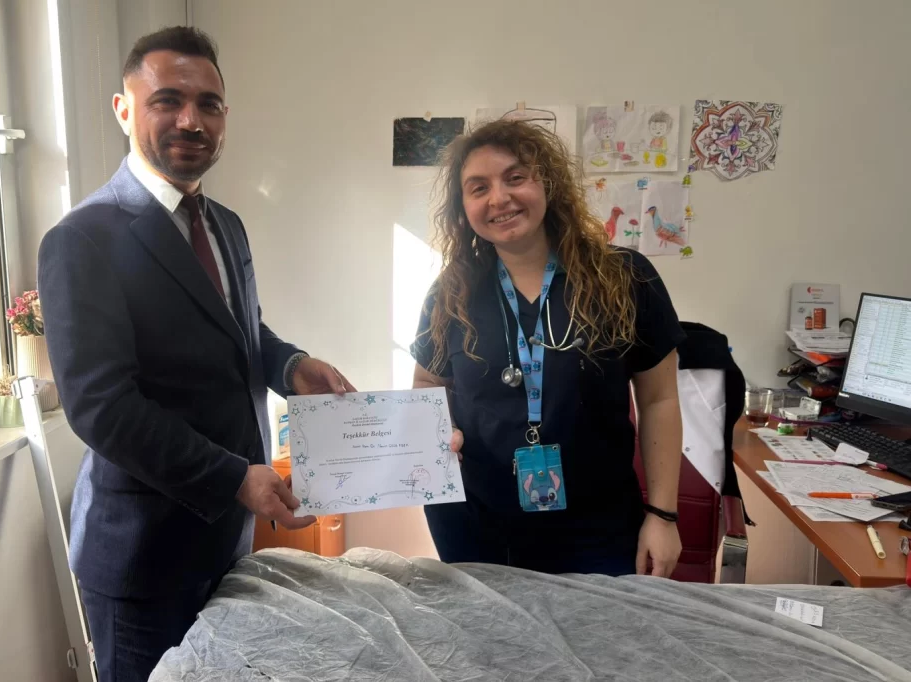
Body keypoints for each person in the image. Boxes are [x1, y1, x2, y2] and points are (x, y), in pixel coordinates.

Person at [37, 26, 354, 681]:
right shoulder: (82, 240)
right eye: (168, 100)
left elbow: (240, 332)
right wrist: (235, 477)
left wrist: (290, 365)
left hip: (226, 539)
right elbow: (101, 408)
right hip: (142, 559)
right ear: (124, 109)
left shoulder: (225, 225)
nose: (191, 119)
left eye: (208, 104)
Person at [411, 119, 684, 577]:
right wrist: (439, 429)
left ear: (548, 184)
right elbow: (426, 383)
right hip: (475, 524)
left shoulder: (624, 277)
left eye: (515, 177)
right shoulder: (451, 293)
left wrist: (663, 515)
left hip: (598, 527)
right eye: (479, 188)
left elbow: (659, 399)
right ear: (463, 207)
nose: (499, 198)